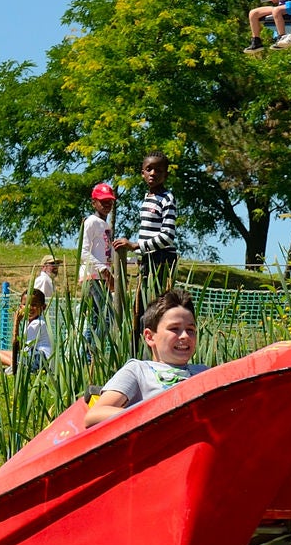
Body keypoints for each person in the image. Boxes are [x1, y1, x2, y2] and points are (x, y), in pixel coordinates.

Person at [84, 289, 208, 427]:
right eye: (174, 329)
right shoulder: (139, 370)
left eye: (190, 330)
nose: (185, 335)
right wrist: (155, 413)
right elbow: (94, 415)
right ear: (149, 337)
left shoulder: (203, 373)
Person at [116, 153, 178, 296]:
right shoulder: (147, 198)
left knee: (155, 306)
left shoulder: (167, 198)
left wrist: (135, 246)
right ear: (142, 173)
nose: (153, 173)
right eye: (149, 169)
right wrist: (140, 253)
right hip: (148, 258)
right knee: (142, 307)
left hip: (162, 259)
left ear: (166, 174)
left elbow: (168, 236)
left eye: (159, 170)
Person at [0, 288, 52, 371]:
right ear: (21, 306)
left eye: (34, 305)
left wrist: (16, 323)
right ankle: (14, 368)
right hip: (32, 356)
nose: (29, 308)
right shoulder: (30, 322)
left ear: (43, 307)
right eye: (25, 304)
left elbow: (20, 350)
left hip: (39, 360)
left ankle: (14, 369)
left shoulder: (37, 323)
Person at [81, 182, 117, 305]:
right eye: (103, 201)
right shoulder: (91, 222)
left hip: (102, 277)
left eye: (109, 201)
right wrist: (104, 271)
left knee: (103, 317)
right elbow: (83, 252)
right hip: (94, 277)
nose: (107, 204)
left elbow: (108, 253)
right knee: (106, 316)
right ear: (94, 203)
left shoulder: (105, 225)